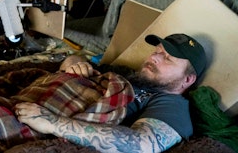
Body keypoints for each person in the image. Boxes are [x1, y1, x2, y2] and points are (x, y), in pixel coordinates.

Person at [14, 33, 207, 153]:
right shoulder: (125, 74)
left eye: (168, 58)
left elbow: (142, 145)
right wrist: (74, 63)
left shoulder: (172, 104)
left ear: (187, 80)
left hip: (39, 122)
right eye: (157, 50)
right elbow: (74, 59)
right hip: (28, 100)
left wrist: (51, 123)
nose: (154, 56)